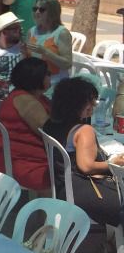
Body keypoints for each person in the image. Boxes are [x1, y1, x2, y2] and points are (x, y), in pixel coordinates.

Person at [43, 77, 123, 228]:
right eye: (90, 102)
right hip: (86, 192)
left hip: (62, 188)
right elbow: (86, 166)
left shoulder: (50, 124)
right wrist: (113, 163)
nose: (92, 106)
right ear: (76, 103)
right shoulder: (83, 130)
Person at [0, 58, 51, 192]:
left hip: (12, 159)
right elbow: (50, 133)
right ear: (37, 77)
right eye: (47, 73)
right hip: (24, 166)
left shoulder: (25, 95)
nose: (50, 76)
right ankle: (53, 211)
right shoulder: (26, 101)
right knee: (71, 172)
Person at [23, 0, 72, 86]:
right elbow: (26, 61)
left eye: (42, 10)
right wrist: (23, 52)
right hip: (34, 83)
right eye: (35, 9)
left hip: (55, 83)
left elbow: (67, 64)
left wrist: (45, 52)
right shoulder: (32, 31)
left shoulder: (61, 33)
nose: (37, 12)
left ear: (53, 12)